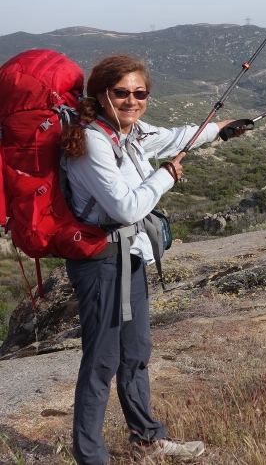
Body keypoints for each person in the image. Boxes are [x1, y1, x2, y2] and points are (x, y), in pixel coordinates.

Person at [60, 54, 240, 464]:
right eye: (121, 92)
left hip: (130, 256)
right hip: (101, 259)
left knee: (136, 351)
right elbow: (124, 208)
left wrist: (219, 130)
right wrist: (166, 175)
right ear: (101, 94)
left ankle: (146, 439)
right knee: (102, 360)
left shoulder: (131, 132)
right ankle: (91, 456)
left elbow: (175, 137)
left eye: (139, 93)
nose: (131, 100)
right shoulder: (91, 141)